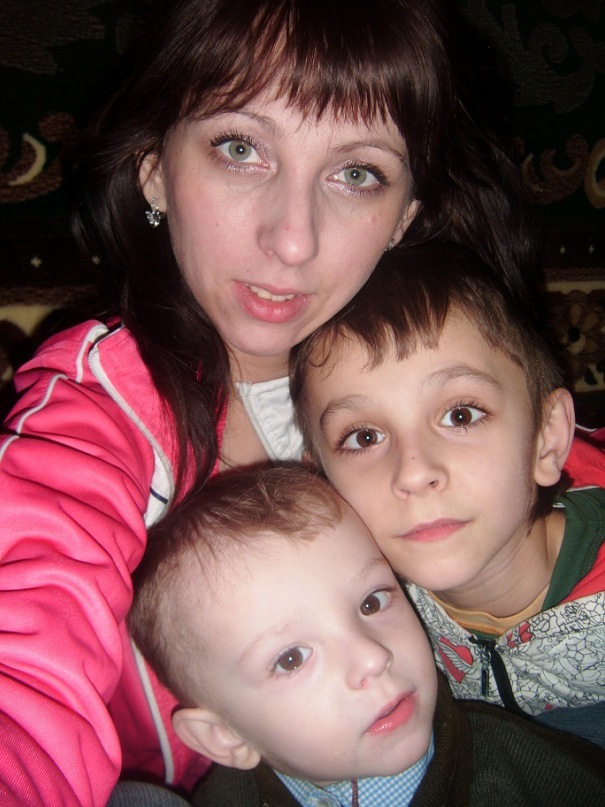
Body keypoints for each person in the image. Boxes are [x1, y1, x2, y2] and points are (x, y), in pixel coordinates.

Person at [1, 0, 604, 804]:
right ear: (154, 171)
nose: (292, 239)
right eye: (239, 148)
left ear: (403, 217)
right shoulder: (97, 408)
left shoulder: (430, 352)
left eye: (356, 173)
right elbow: (26, 644)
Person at [127, 464, 605, 806]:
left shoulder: (538, 777)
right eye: (291, 658)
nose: (373, 657)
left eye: (372, 603)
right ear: (225, 737)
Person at [290, 241, 605, 750]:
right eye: (364, 437)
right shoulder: (348, 618)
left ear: (546, 439)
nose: (415, 473)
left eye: (460, 415)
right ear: (322, 481)